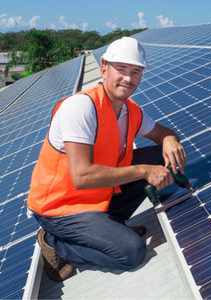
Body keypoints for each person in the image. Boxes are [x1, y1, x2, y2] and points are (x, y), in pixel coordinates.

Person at [27, 37, 187, 282]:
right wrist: (144, 170)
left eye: (135, 71)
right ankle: (54, 241)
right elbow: (81, 177)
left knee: (162, 155)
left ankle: (109, 227)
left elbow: (164, 133)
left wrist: (169, 139)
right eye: (121, 69)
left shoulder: (130, 109)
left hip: (98, 195)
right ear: (104, 68)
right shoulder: (81, 107)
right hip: (61, 207)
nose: (128, 78)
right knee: (131, 252)